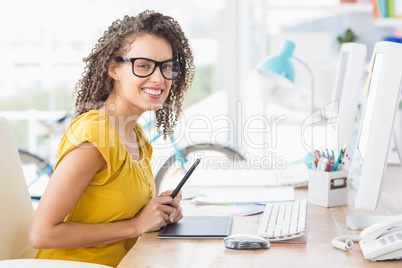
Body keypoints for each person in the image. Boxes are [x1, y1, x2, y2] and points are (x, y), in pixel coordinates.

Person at [29, 10, 195, 267]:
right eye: (143, 65)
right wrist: (135, 226)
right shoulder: (94, 136)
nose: (159, 78)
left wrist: (156, 212)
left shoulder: (136, 135)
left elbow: (115, 210)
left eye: (167, 67)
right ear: (113, 68)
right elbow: (41, 233)